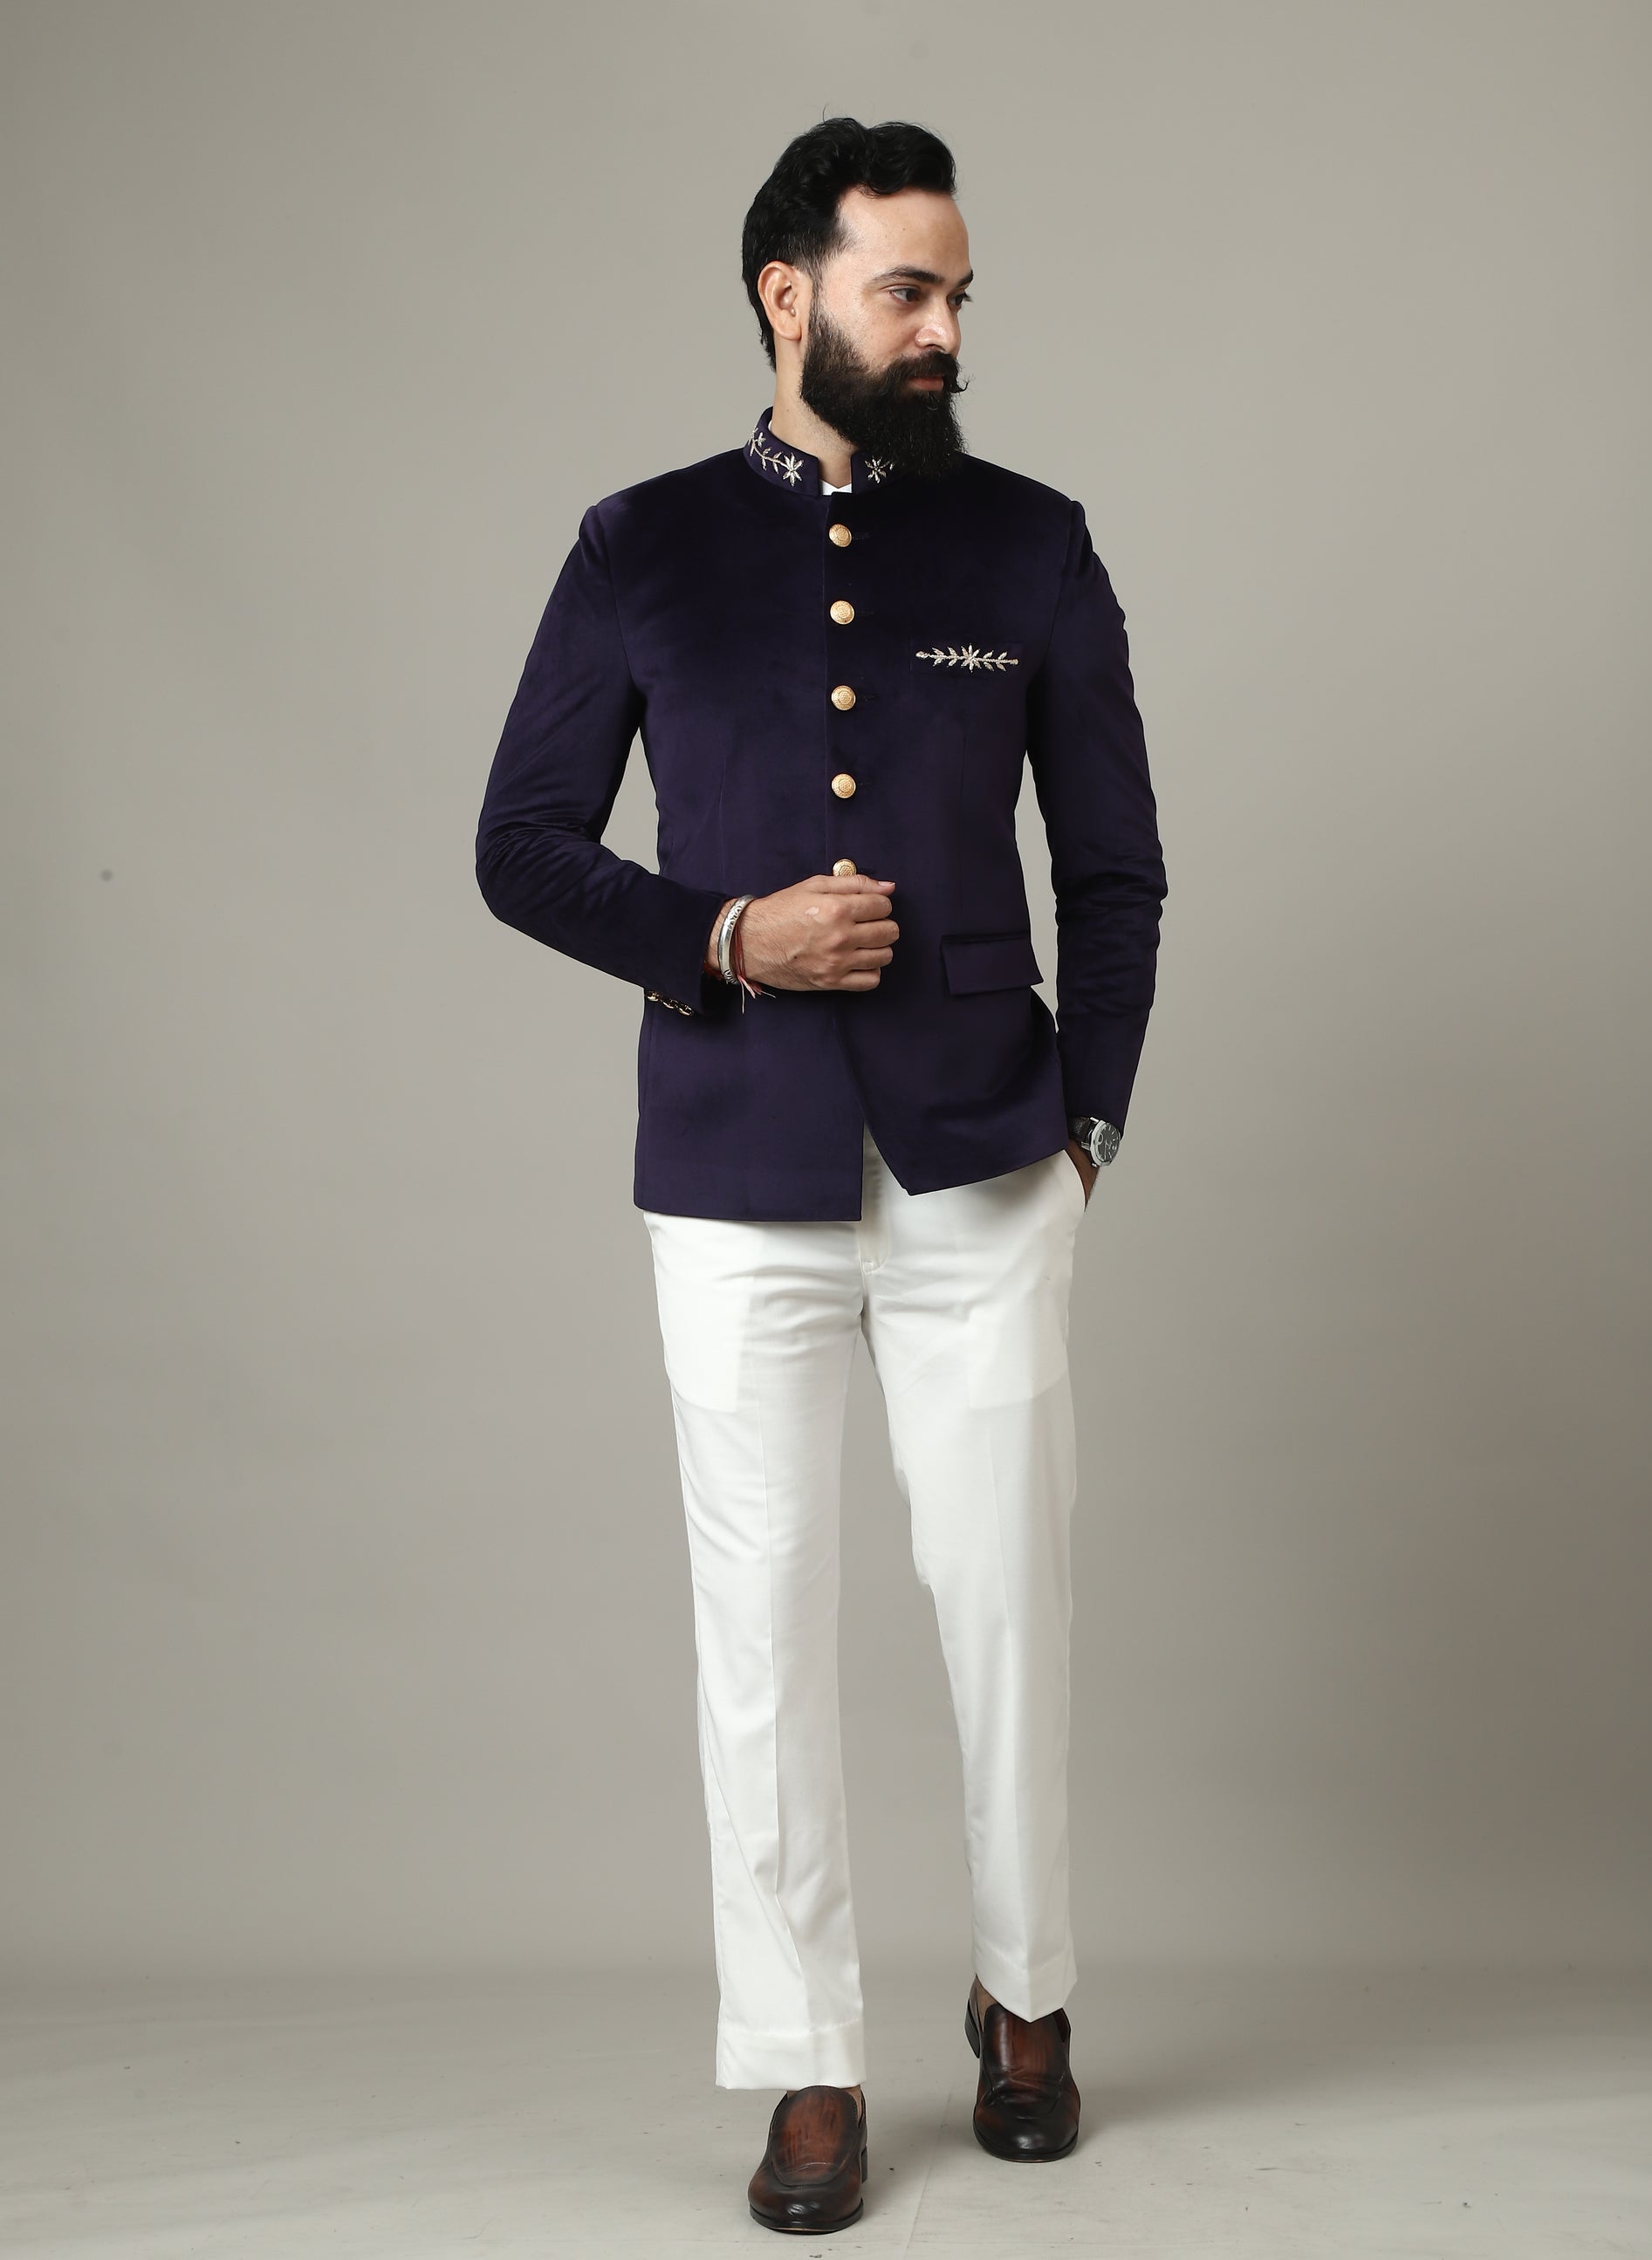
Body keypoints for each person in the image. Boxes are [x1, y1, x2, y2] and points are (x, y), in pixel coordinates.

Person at [475, 114, 1166, 2238]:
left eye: (957, 293)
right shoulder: (642, 545)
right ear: (790, 296)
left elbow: (1115, 867)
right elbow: (520, 842)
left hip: (986, 1160)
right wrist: (720, 933)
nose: (944, 326)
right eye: (906, 289)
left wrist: (1088, 1122)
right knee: (758, 1629)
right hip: (731, 1166)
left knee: (1007, 1604)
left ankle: (1023, 1994)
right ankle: (806, 2057)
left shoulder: (1033, 543)